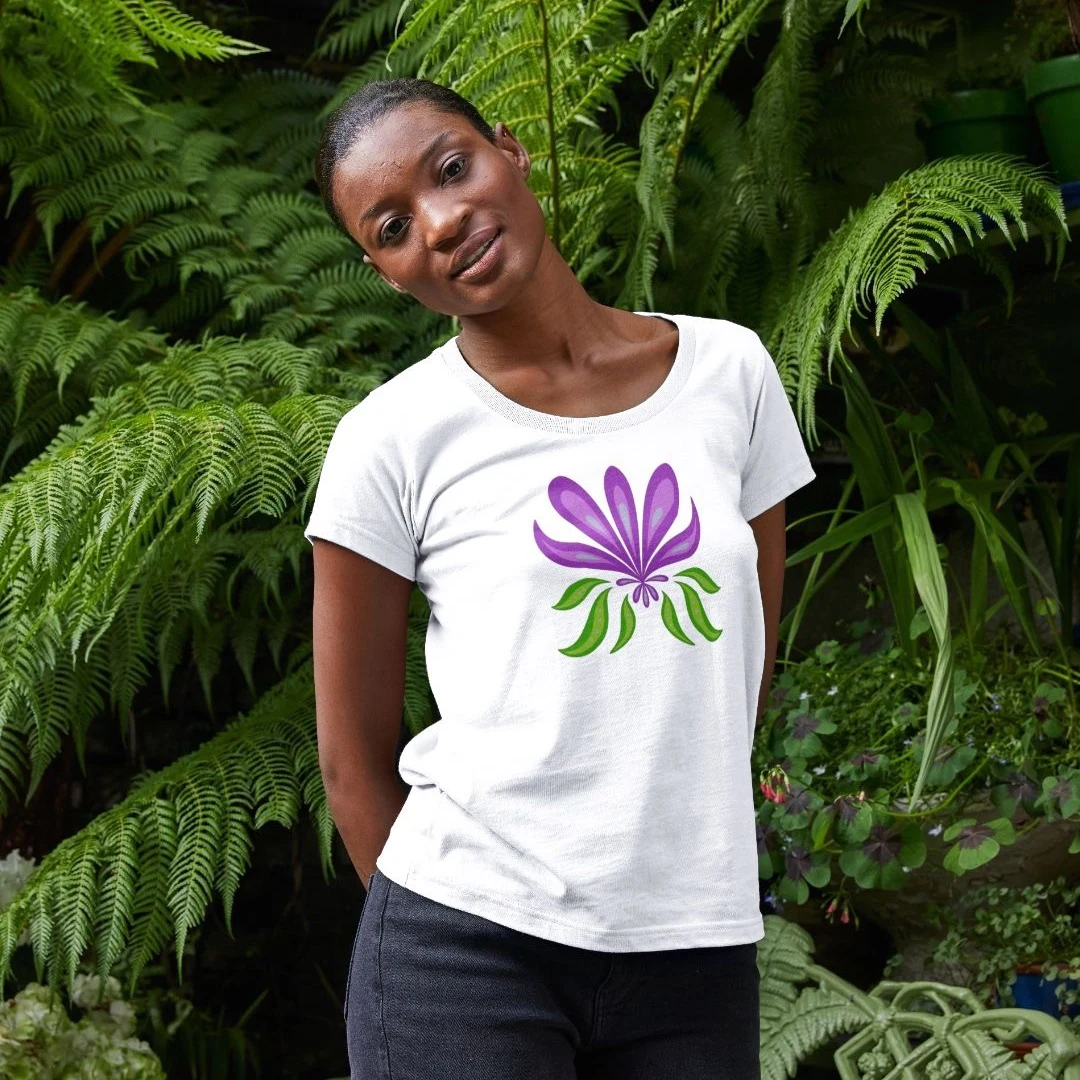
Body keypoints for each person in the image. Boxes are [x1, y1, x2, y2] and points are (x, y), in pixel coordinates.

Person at [305, 76, 816, 1080]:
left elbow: (745, 653)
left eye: (452, 169)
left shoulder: (732, 373)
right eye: (394, 227)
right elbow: (350, 761)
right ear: (384, 273)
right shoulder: (389, 440)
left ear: (511, 150)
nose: (441, 224)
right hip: (465, 950)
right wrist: (445, 930)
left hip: (695, 944)